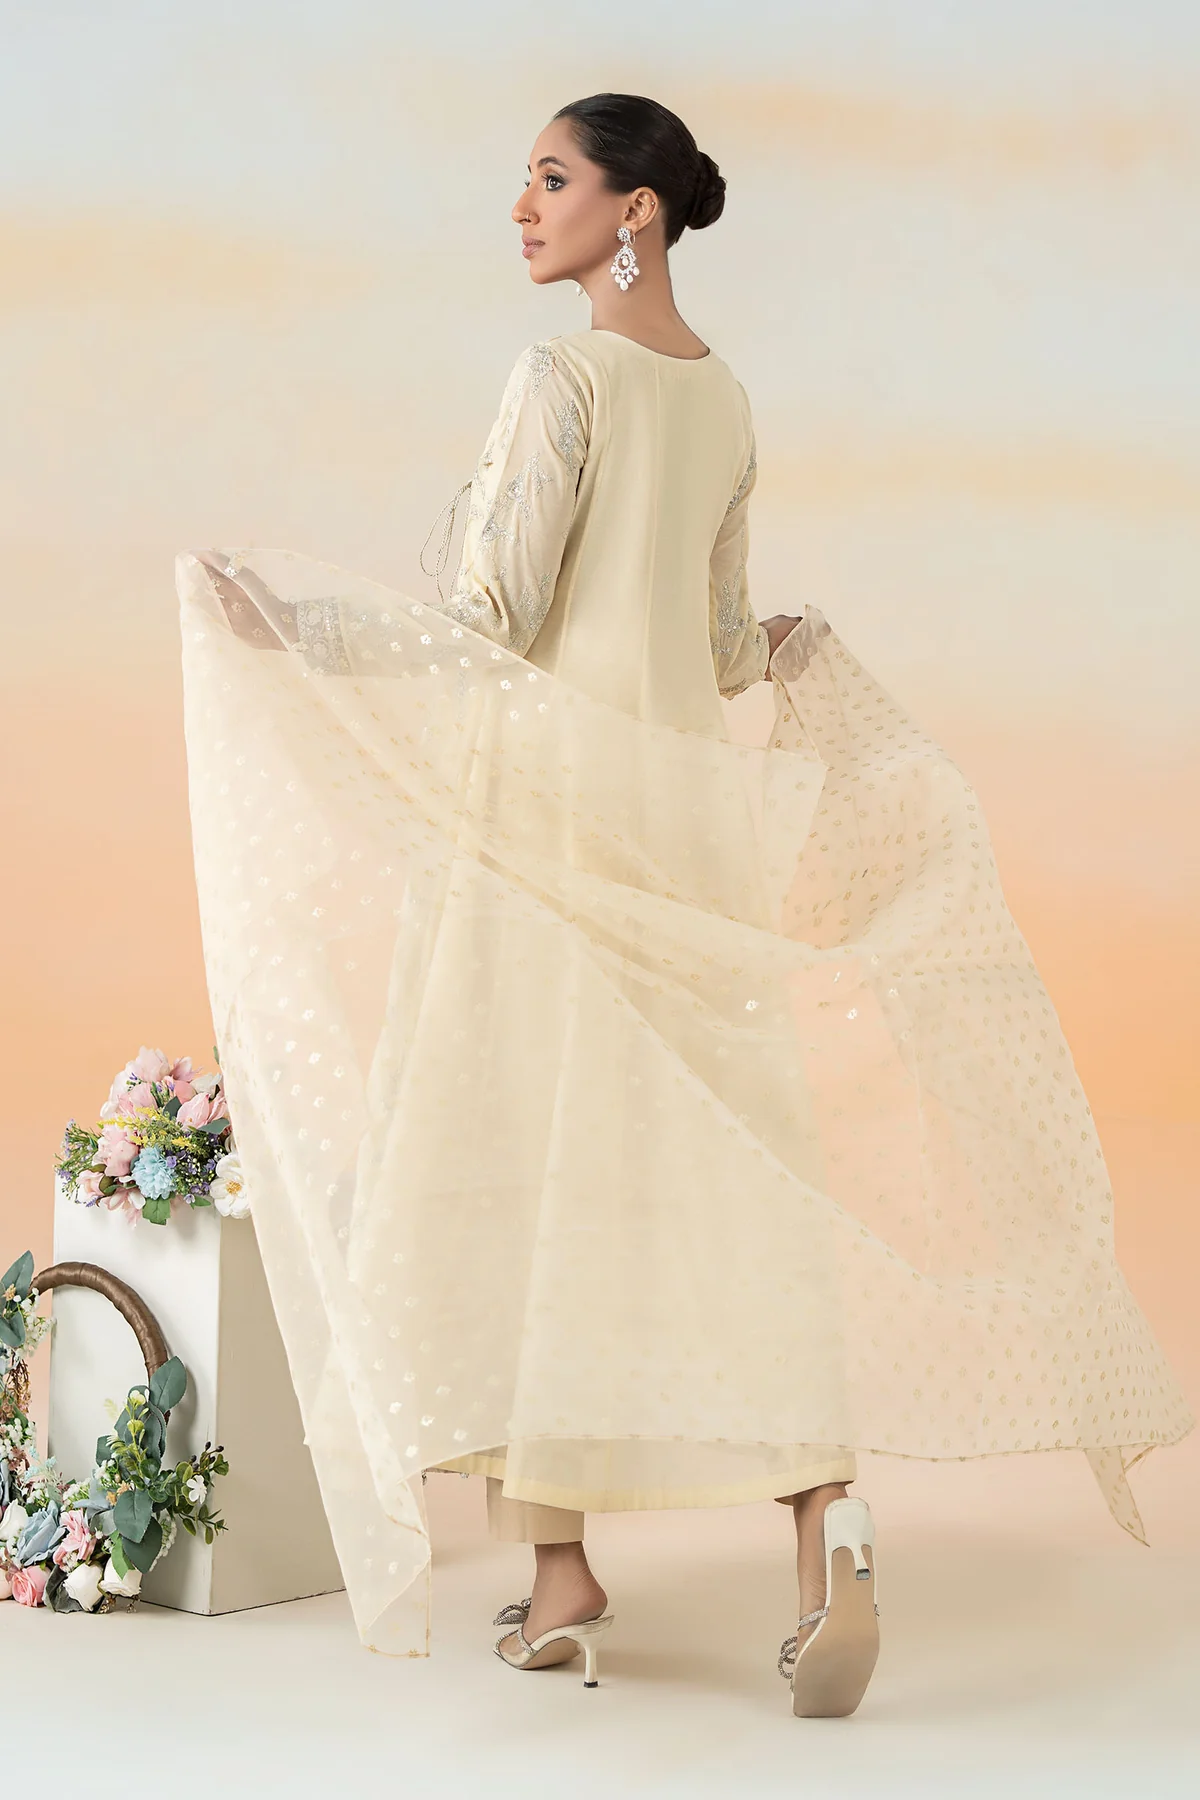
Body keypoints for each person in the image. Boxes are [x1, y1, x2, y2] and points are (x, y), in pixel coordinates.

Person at [179, 94, 1193, 1717]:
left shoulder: (560, 377)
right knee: (724, 1186)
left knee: (531, 1174)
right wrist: (780, 641)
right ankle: (819, 1520)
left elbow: (488, 617)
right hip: (684, 830)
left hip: (546, 828)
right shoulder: (724, 398)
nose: (523, 207)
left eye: (553, 179)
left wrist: (302, 626)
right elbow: (724, 653)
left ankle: (562, 1575)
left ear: (635, 210)